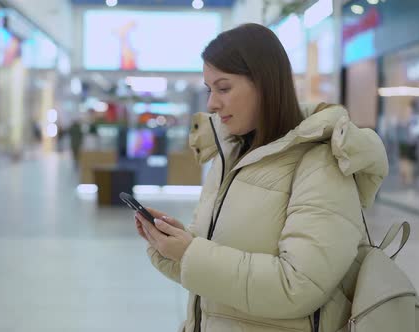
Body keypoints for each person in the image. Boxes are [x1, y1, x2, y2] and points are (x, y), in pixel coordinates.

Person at [133, 24, 388, 332]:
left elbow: (298, 287)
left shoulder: (321, 166)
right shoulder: (230, 157)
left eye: (223, 88)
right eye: (209, 89)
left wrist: (191, 252)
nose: (212, 103)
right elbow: (213, 274)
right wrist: (169, 246)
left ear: (265, 84)